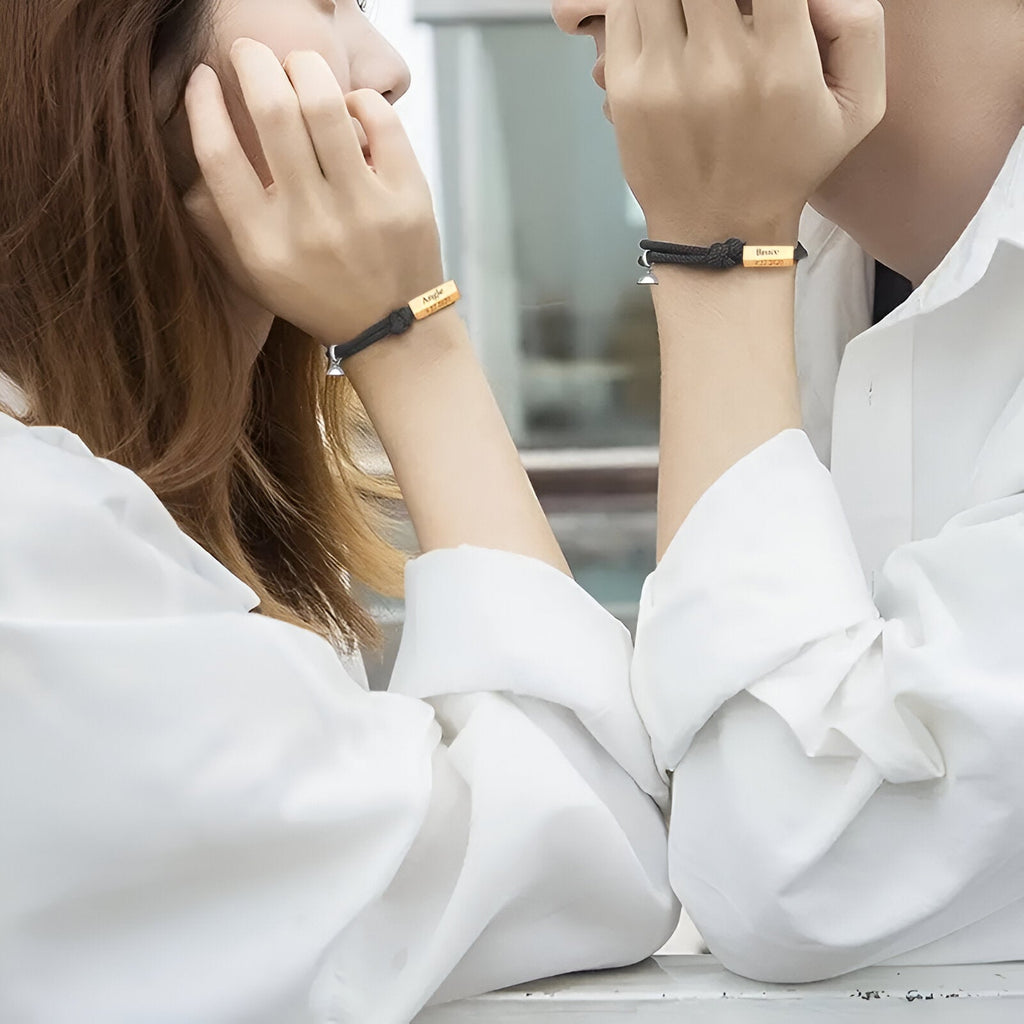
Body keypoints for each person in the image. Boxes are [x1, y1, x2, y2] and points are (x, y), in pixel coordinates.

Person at [0, 2, 679, 1021]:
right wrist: (409, 335)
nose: (389, 68)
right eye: (326, 5)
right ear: (111, 54)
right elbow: (591, 850)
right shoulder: (38, 553)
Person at [553, 0, 1024, 984]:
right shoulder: (821, 280)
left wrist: (713, 248)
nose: (570, 13)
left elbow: (800, 870)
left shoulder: (758, 266)